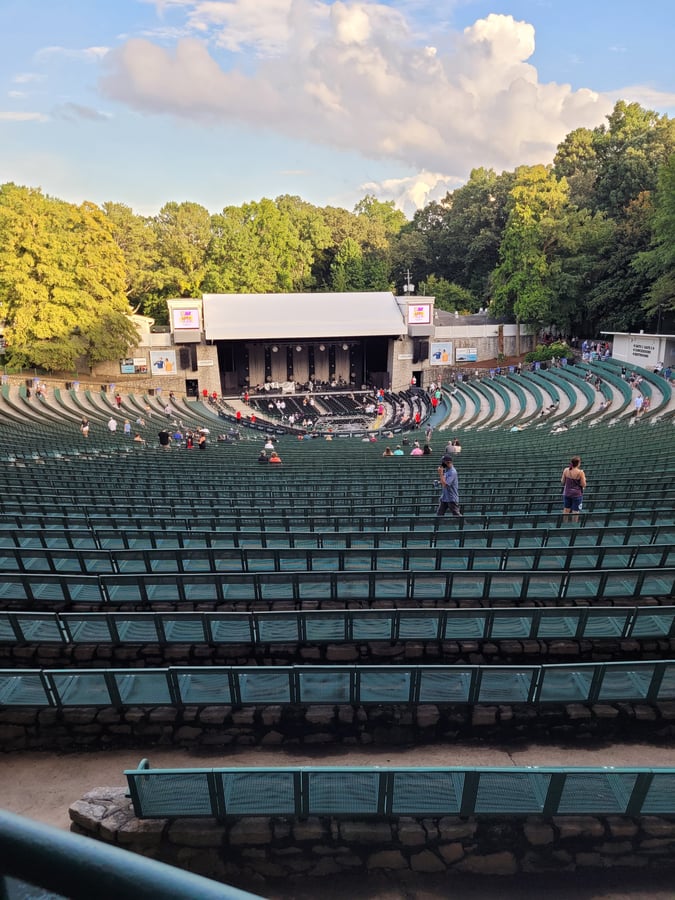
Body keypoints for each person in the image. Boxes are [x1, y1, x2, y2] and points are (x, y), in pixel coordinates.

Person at [561, 455, 586, 523]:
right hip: (577, 494)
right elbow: (583, 484)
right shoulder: (580, 472)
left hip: (567, 493)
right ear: (578, 463)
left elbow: (562, 481)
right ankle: (574, 526)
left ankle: (564, 523)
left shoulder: (566, 470)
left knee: (566, 509)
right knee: (575, 511)